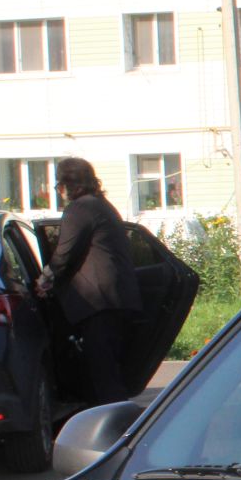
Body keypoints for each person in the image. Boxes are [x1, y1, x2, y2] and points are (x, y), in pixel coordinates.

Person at [38, 157, 143, 405]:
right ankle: (117, 421)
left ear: (66, 185)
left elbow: (64, 253)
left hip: (99, 304)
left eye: (58, 184)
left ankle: (115, 430)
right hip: (117, 300)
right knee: (108, 372)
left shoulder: (80, 209)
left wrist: (44, 280)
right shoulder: (101, 205)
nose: (58, 191)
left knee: (104, 376)